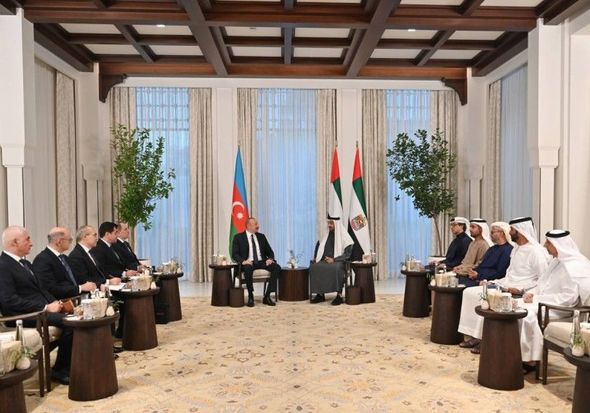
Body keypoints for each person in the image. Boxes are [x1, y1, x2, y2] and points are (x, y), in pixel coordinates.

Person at [457, 217, 549, 353]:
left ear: (520, 231)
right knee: (470, 292)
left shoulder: (536, 252)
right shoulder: (516, 249)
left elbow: (542, 280)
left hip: (521, 289)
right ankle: (476, 335)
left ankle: (486, 340)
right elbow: (509, 275)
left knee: (483, 296)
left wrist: (521, 289)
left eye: (512, 230)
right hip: (506, 285)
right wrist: (494, 282)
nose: (509, 232)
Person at [0, 226, 73, 385]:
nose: (31, 243)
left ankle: (70, 364)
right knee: (70, 323)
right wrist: (45, 308)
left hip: (40, 312)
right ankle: (60, 370)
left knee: (75, 318)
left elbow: (42, 290)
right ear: (14, 242)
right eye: (27, 239)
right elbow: (9, 301)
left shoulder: (25, 263)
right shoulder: (3, 266)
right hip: (21, 317)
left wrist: (57, 303)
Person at [519, 230, 590, 367]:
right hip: (543, 303)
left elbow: (568, 298)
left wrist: (537, 299)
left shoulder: (575, 265)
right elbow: (541, 284)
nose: (544, 245)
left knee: (525, 315)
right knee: (513, 305)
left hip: (560, 309)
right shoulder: (556, 261)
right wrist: (532, 293)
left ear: (559, 245)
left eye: (548, 243)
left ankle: (530, 359)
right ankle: (512, 352)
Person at [33, 227, 97, 299]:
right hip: (60, 301)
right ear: (59, 241)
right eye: (69, 240)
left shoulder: (65, 258)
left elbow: (76, 279)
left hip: (76, 298)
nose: (71, 242)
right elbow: (50, 289)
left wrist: (89, 285)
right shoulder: (42, 260)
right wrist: (80, 288)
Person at [231, 217, 280, 307]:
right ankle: (250, 296)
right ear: (248, 226)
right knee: (248, 268)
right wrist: (243, 261)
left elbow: (270, 251)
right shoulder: (238, 237)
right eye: (256, 224)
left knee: (276, 267)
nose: (258, 226)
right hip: (248, 262)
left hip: (262, 261)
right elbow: (234, 254)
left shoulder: (261, 236)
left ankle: (267, 295)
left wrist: (270, 259)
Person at [309, 216, 354, 306]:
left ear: (336, 224)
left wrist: (334, 259)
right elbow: (318, 246)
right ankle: (320, 294)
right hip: (325, 260)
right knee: (315, 267)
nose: (329, 225)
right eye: (328, 223)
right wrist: (316, 257)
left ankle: (339, 295)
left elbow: (347, 255)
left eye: (331, 223)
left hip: (338, 261)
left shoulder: (345, 237)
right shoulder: (325, 234)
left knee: (336, 268)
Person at [457, 221, 513, 287]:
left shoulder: (508, 250)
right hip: (479, 277)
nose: (490, 235)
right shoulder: (492, 249)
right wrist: (473, 272)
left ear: (501, 233)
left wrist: (478, 275)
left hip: (491, 281)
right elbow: (482, 265)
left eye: (492, 232)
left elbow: (500, 273)